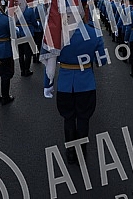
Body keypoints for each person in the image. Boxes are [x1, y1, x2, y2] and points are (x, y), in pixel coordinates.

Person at [53, 9, 107, 164]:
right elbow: (101, 61)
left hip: (65, 84)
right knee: (84, 118)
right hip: (86, 84)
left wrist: (47, 84)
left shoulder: (58, 34)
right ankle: (81, 152)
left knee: (68, 118)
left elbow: (49, 59)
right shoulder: (94, 33)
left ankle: (70, 153)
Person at [18, 0, 37, 76]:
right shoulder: (29, 10)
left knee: (21, 53)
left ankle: (22, 70)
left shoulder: (15, 10)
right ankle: (27, 70)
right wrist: (36, 26)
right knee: (28, 53)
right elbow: (34, 22)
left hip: (18, 34)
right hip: (28, 33)